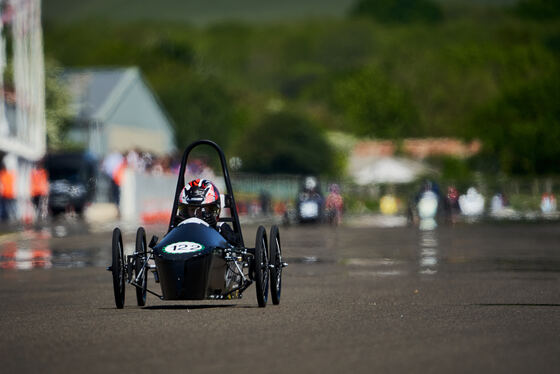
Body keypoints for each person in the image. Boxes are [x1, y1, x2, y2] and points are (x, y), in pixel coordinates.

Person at [176, 179, 241, 246]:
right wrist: (176, 231)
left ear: (212, 210)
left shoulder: (223, 230)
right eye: (192, 210)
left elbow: (237, 247)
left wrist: (215, 231)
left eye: (202, 210)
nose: (197, 214)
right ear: (185, 211)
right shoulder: (179, 232)